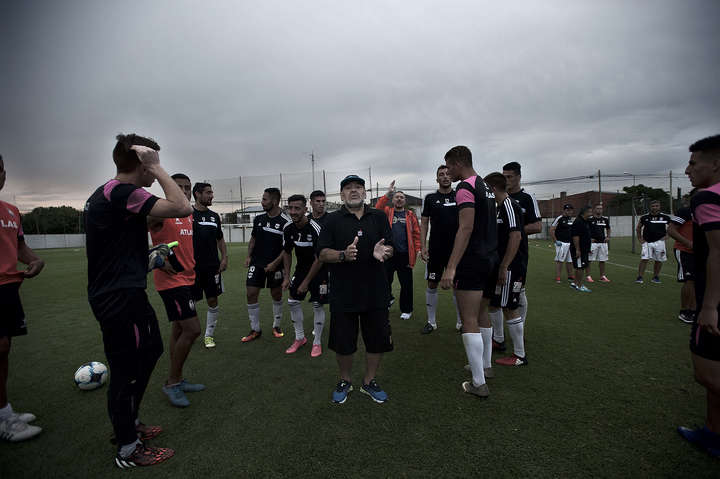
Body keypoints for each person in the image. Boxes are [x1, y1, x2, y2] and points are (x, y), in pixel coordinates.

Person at [85, 134, 190, 468]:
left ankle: (128, 423)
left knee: (150, 351)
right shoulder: (120, 191)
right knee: (126, 368)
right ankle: (127, 448)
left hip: (127, 292)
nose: (154, 171)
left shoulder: (115, 196)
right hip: (117, 298)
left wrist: (148, 257)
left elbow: (117, 246)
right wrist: (158, 168)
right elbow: (181, 207)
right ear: (142, 163)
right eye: (151, 162)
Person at [318, 175, 394, 404]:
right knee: (343, 342)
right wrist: (342, 255)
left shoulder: (379, 217)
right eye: (348, 188)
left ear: (364, 192)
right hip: (343, 293)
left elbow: (390, 246)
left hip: (376, 292)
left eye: (358, 188)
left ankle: (369, 381)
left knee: (377, 340)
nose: (353, 191)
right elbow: (321, 253)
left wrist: (385, 252)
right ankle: (345, 380)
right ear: (341, 194)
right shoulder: (332, 220)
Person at [440, 146, 498, 398]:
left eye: (449, 166)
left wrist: (451, 267)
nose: (448, 172)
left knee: (468, 319)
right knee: (482, 312)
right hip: (490, 259)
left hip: (472, 260)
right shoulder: (485, 186)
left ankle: (478, 383)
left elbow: (466, 228)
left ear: (459, 162)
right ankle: (485, 366)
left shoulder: (465, 187)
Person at [677, 134, 720, 458]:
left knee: (706, 373)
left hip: (714, 302)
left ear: (715, 164)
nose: (688, 169)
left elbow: (718, 253)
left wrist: (709, 306)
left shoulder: (706, 198)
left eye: (694, 163)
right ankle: (712, 433)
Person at [148, 173, 205, 408]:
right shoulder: (159, 212)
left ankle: (178, 378)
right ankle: (172, 382)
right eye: (178, 187)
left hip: (188, 278)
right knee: (193, 330)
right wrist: (153, 254)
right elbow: (130, 227)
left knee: (178, 330)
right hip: (172, 282)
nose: (183, 191)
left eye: (187, 187)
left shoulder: (189, 213)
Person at [0, 154, 45, 442]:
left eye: (1, 169)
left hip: (9, 289)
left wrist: (35, 260)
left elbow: (19, 247)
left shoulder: (12, 211)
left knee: (4, 350)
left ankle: (4, 411)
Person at [484, 172, 528, 367]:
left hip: (510, 267)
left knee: (510, 307)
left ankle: (520, 355)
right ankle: (499, 340)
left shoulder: (510, 205)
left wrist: (504, 266)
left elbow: (516, 237)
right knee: (494, 303)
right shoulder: (499, 208)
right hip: (500, 266)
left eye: (486, 189)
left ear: (493, 189)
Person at [499, 162, 541, 349]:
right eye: (504, 176)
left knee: (517, 293)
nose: (506, 180)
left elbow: (537, 226)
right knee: (499, 296)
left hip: (518, 253)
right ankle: (499, 337)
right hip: (499, 253)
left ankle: (518, 335)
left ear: (518, 177)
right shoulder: (499, 198)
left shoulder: (526, 198)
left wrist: (514, 231)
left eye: (510, 177)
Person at [242, 188, 290, 342]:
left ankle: (276, 325)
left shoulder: (285, 221)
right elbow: (253, 239)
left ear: (274, 201)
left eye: (265, 199)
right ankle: (255, 329)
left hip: (276, 265)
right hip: (257, 263)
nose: (262, 202)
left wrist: (275, 263)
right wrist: (249, 256)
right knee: (251, 293)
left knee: (276, 294)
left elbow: (287, 249)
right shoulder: (258, 219)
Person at [281, 194, 326, 356]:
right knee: (292, 301)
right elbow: (286, 253)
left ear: (305, 210)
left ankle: (317, 342)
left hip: (320, 270)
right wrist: (286, 277)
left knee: (317, 304)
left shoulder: (315, 228)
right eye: (290, 208)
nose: (293, 212)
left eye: (297, 208)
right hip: (301, 270)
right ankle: (300, 338)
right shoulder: (288, 228)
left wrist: (306, 282)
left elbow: (319, 258)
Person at [420, 165, 462, 334]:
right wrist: (423, 246)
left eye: (447, 174)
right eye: (441, 175)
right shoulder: (430, 198)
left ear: (451, 177)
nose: (445, 177)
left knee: (457, 285)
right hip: (436, 250)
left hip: (456, 250)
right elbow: (424, 223)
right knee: (432, 283)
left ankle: (461, 322)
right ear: (437, 179)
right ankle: (431, 321)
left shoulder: (460, 196)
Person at [375, 182, 421, 320]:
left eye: (402, 197)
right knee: (384, 281)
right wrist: (387, 194)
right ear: (393, 200)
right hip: (388, 253)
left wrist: (418, 249)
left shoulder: (410, 214)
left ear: (405, 200)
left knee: (406, 284)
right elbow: (377, 208)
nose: (399, 199)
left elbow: (416, 234)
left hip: (405, 255)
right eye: (397, 197)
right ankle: (388, 300)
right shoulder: (388, 212)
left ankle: (406, 309)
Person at [191, 182, 227, 348]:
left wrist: (224, 257)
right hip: (192, 268)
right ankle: (189, 333)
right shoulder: (188, 214)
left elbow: (220, 238)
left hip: (212, 267)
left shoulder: (214, 217)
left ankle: (208, 335)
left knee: (213, 300)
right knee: (191, 302)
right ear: (197, 194)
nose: (212, 195)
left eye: (211, 192)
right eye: (208, 192)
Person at [668, 191, 696, 324]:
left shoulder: (706, 212)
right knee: (689, 280)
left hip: (701, 253)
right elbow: (671, 230)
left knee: (698, 281)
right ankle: (685, 312)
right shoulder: (685, 211)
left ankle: (694, 310)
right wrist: (689, 243)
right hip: (684, 250)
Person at [307, 190, 330, 349]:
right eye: (318, 201)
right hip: (311, 266)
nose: (321, 204)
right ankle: (317, 328)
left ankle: (338, 324)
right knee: (317, 301)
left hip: (329, 266)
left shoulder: (331, 220)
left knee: (333, 298)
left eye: (323, 201)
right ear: (311, 202)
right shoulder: (306, 221)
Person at [635, 200, 672, 284]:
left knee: (659, 260)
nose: (655, 207)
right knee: (644, 259)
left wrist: (667, 236)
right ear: (650, 207)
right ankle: (640, 277)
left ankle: (655, 277)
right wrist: (640, 239)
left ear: (659, 207)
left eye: (656, 206)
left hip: (660, 242)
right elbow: (638, 228)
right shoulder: (644, 217)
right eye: (653, 206)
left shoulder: (665, 217)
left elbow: (672, 228)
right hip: (647, 242)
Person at [570, 206, 593, 293]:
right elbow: (575, 236)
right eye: (590, 212)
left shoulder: (585, 221)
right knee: (580, 267)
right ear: (585, 212)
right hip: (579, 249)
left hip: (584, 249)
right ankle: (579, 286)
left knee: (581, 267)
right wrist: (577, 249)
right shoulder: (578, 222)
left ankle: (575, 283)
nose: (591, 213)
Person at [550, 205, 575, 284]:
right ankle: (558, 277)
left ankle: (570, 276)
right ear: (564, 210)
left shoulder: (570, 219)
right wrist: (555, 241)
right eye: (568, 210)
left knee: (570, 261)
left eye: (571, 210)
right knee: (560, 260)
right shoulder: (559, 218)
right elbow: (551, 229)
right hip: (561, 243)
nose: (569, 212)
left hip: (569, 243)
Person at [586, 204, 611, 283]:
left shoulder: (605, 219)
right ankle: (588, 276)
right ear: (594, 209)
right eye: (598, 208)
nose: (599, 210)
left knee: (602, 260)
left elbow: (608, 228)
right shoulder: (589, 219)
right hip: (593, 244)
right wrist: (589, 238)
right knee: (589, 260)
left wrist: (608, 237)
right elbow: (585, 230)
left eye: (601, 208)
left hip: (603, 243)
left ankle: (602, 276)